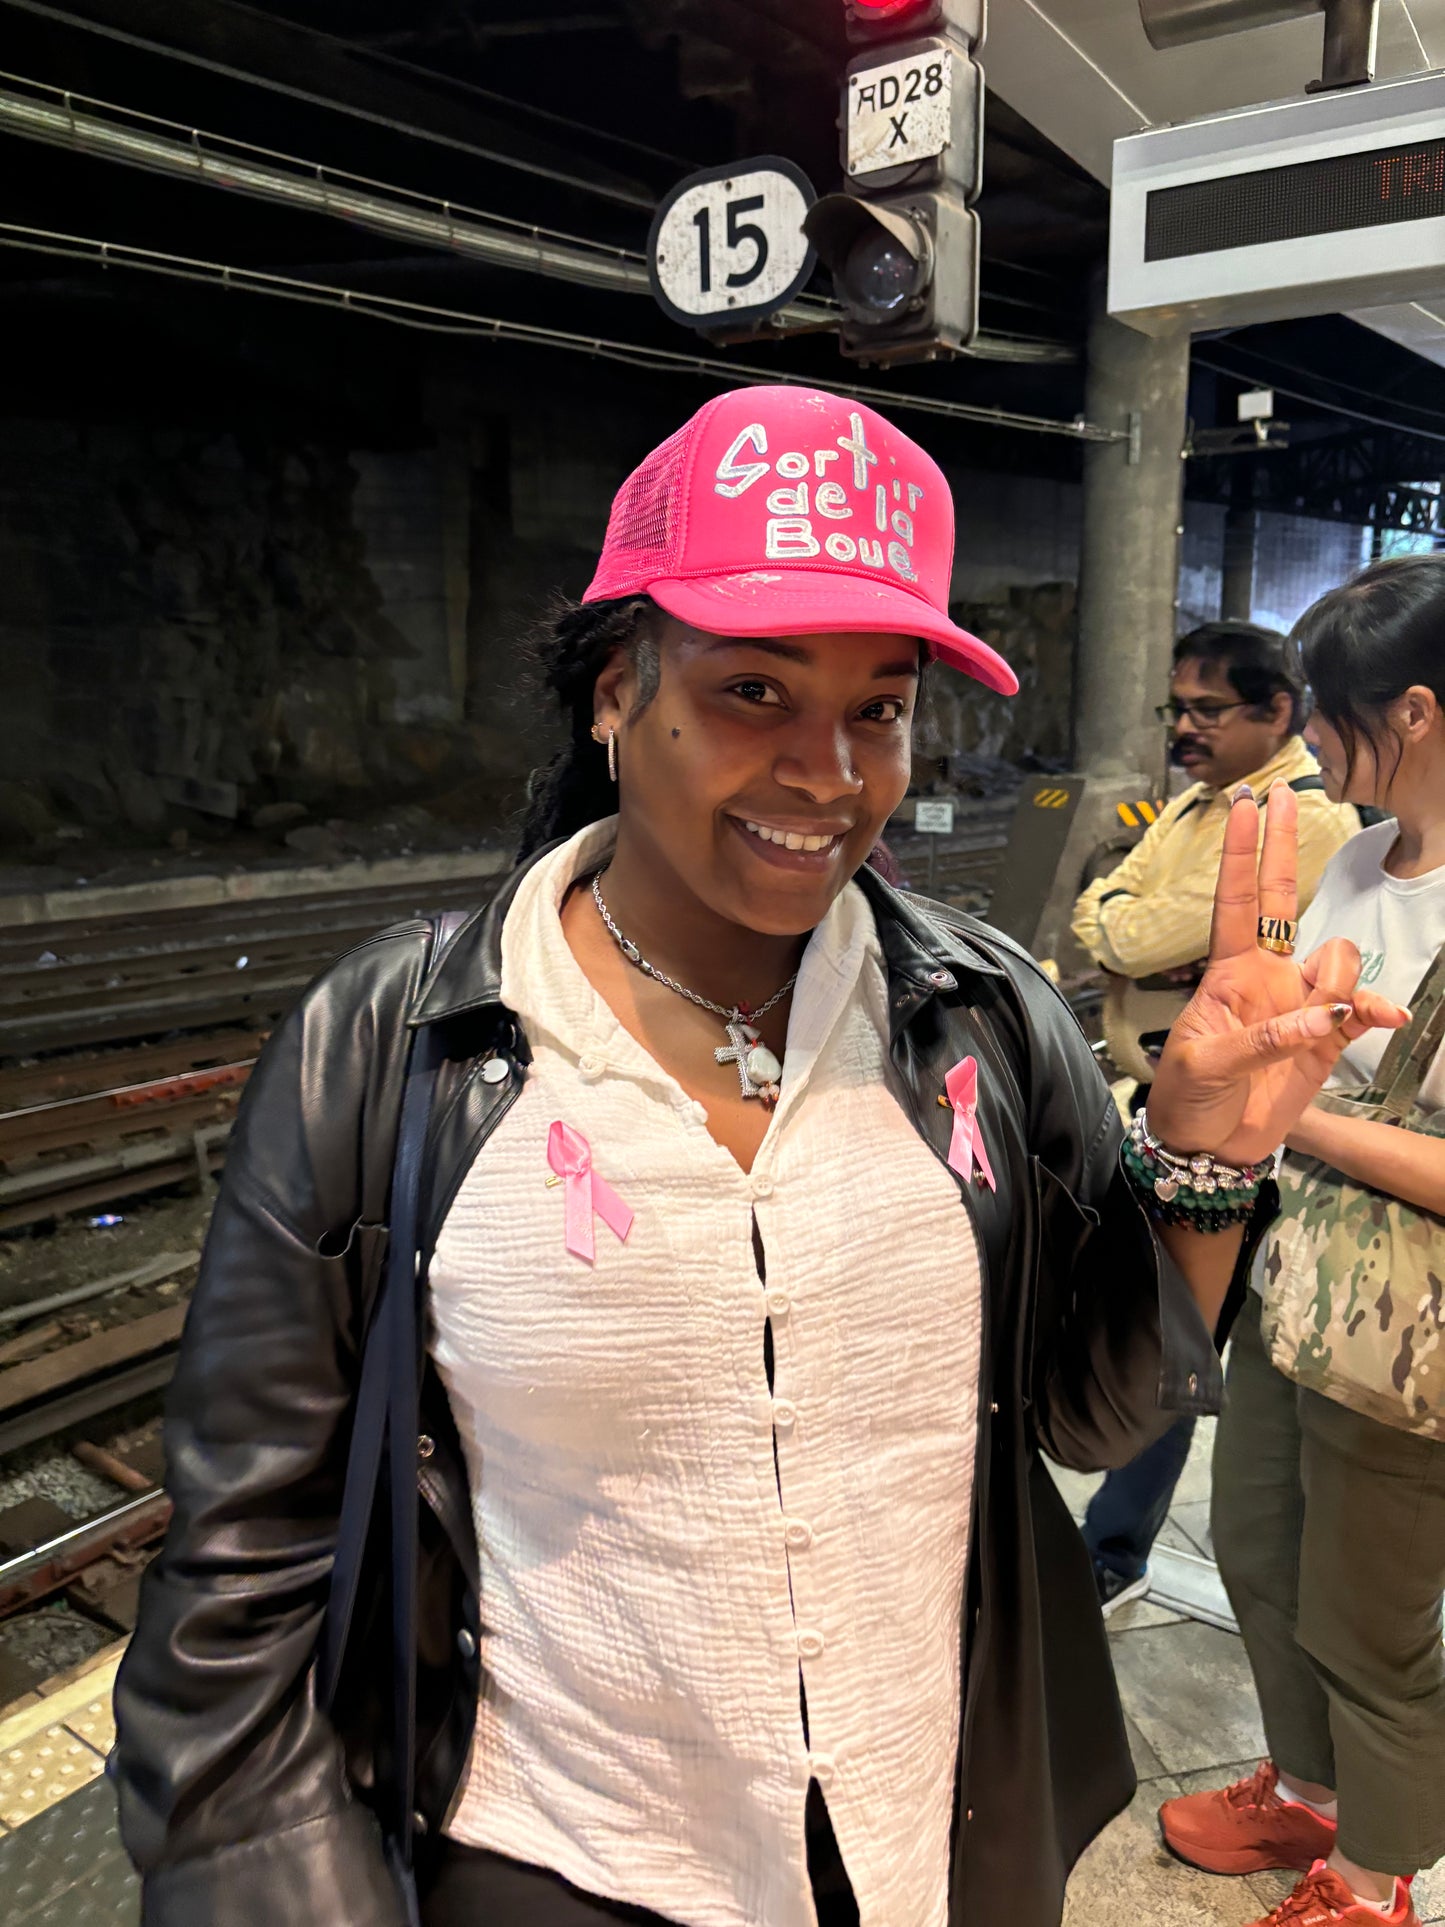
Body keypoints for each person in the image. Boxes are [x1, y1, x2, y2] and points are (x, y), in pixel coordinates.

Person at [109, 385, 1404, 1927]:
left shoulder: (978, 1019)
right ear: (611, 686)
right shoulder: (393, 1047)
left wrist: (1200, 1157)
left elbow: (1090, 1408)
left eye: (877, 703)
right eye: (752, 692)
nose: (829, 770)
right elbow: (243, 1569)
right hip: (552, 1862)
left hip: (927, 1839)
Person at [1161, 554, 1445, 1927]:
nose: (1312, 747)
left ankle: (1380, 1872)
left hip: (1413, 1328)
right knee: (1257, 1542)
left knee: (1372, 1615)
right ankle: (1312, 1791)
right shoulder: (1353, 859)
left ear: (1417, 709)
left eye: (1326, 715)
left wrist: (1290, 1116)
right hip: (1296, 1278)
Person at [1071, 621, 1359, 1616]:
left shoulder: (1295, 822)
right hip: (1152, 1107)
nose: (1183, 728)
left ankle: (1114, 1550)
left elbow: (1132, 926)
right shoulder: (1199, 803)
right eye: (1175, 708)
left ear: (1275, 709)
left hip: (1238, 1142)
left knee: (1178, 1345)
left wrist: (1121, 921)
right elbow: (1099, 914)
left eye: (1206, 708)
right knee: (1146, 1329)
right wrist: (1119, 920)